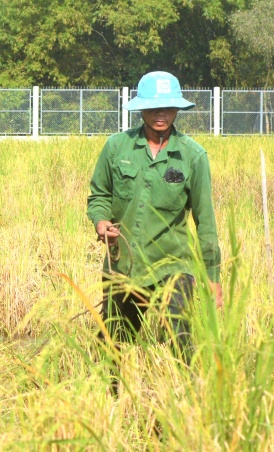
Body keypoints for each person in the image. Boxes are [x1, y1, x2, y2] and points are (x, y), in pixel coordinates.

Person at [86, 71, 222, 367]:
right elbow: (98, 196)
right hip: (123, 263)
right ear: (140, 108)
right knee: (114, 344)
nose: (161, 114)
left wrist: (213, 278)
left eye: (168, 107)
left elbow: (206, 221)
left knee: (181, 341)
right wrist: (100, 222)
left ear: (177, 109)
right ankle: (112, 401)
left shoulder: (193, 156)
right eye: (153, 107)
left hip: (173, 265)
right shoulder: (116, 147)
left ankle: (186, 399)